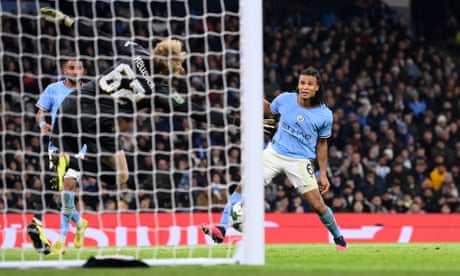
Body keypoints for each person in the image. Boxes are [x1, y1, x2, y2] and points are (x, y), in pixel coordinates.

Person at [39, 7, 239, 253]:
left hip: (71, 106)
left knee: (67, 183)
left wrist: (66, 21)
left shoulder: (135, 52)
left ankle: (63, 237)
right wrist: (234, 118)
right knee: (121, 177)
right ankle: (75, 167)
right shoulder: (160, 91)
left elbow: (99, 36)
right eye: (179, 66)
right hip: (98, 122)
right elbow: (192, 109)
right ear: (171, 68)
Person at [201, 67, 348, 250]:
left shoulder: (325, 115)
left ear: (317, 88)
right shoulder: (286, 99)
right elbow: (270, 110)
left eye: (309, 84)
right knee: (244, 185)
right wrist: (254, 96)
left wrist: (323, 174)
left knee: (317, 205)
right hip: (274, 153)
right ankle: (221, 228)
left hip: (300, 161)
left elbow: (322, 144)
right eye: (302, 83)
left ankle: (339, 238)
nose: (304, 87)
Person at [27, 56, 88, 255]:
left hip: (80, 145)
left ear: (83, 71)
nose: (74, 71)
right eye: (71, 67)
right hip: (56, 144)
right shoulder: (52, 89)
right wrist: (41, 124)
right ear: (65, 70)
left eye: (78, 67)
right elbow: (40, 113)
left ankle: (61, 241)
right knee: (59, 194)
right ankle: (79, 223)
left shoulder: (89, 91)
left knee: (68, 187)